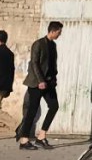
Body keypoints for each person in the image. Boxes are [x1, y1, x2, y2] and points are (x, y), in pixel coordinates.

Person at [17, 21, 62, 151]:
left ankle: (41, 137)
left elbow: (53, 64)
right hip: (36, 83)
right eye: (59, 32)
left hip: (49, 83)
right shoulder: (38, 44)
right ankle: (24, 140)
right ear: (52, 31)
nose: (59, 35)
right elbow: (34, 63)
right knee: (32, 110)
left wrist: (53, 78)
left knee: (54, 106)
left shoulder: (53, 45)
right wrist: (40, 81)